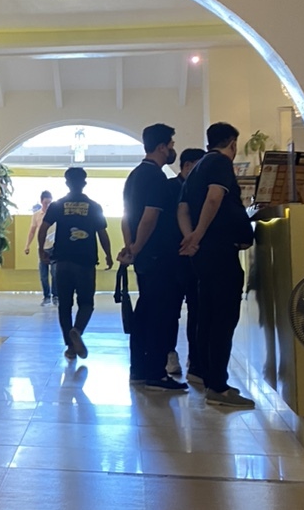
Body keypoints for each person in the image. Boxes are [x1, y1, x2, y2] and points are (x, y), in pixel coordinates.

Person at [178, 122, 255, 408]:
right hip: (220, 251)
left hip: (202, 254)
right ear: (232, 143)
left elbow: (182, 208)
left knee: (207, 316)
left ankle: (205, 374)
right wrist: (198, 235)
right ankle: (219, 388)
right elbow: (214, 198)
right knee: (223, 318)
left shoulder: (196, 168)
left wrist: (190, 238)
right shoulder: (221, 163)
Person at [120, 124, 188, 393]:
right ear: (161, 147)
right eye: (171, 145)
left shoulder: (134, 175)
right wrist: (137, 247)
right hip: (159, 256)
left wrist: (131, 247)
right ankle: (156, 374)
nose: (172, 149)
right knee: (161, 315)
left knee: (144, 312)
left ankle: (138, 369)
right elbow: (150, 217)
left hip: (145, 258)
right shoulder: (156, 177)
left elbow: (127, 217)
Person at [38, 167, 113, 360]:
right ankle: (77, 330)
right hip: (85, 262)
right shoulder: (94, 206)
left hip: (62, 262)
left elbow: (43, 228)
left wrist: (41, 250)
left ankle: (71, 347)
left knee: (64, 305)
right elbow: (102, 233)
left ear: (67, 183)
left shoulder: (57, 205)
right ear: (84, 183)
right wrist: (108, 255)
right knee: (86, 303)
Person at [161, 147, 206, 377]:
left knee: (197, 309)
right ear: (187, 166)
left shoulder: (201, 189)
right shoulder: (169, 188)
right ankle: (170, 354)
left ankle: (195, 359)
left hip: (197, 258)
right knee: (171, 310)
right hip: (173, 257)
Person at [24, 190, 56, 306]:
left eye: (50, 203)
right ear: (41, 202)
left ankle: (55, 296)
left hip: (54, 247)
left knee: (55, 273)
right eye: (46, 203)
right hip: (42, 248)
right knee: (43, 275)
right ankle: (46, 296)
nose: (48, 205)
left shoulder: (55, 214)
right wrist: (27, 245)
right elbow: (32, 231)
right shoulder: (37, 215)